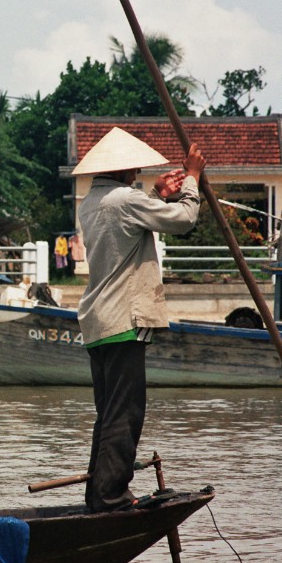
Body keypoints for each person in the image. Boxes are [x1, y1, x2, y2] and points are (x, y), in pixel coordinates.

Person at [73, 127, 206, 513]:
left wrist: (154, 196)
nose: (136, 174)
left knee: (109, 414)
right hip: (123, 319)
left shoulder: (91, 201)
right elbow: (183, 220)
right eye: (133, 169)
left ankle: (99, 496)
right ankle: (112, 497)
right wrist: (192, 178)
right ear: (124, 169)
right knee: (125, 413)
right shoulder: (125, 199)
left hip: (98, 321)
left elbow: (127, 225)